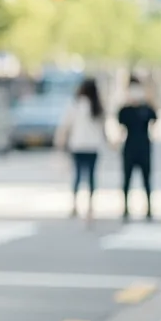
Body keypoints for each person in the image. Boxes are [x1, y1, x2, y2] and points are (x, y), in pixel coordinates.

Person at [55, 78, 105, 224]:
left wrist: (60, 142)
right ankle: (90, 207)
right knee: (91, 177)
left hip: (78, 145)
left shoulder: (75, 105)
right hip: (93, 146)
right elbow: (103, 128)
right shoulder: (98, 107)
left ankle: (75, 204)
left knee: (77, 175)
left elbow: (66, 125)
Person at [119, 75, 157, 221]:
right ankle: (125, 209)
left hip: (144, 148)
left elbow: (155, 117)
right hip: (129, 147)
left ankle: (149, 208)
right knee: (127, 180)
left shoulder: (146, 108)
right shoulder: (125, 109)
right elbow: (120, 122)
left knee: (146, 179)